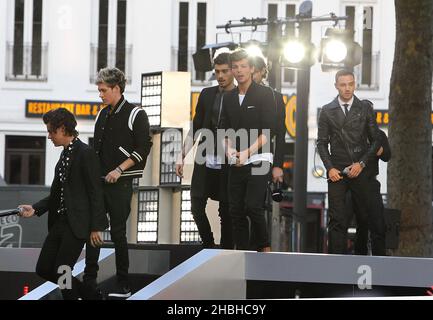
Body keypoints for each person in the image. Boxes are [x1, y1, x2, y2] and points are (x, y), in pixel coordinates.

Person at [18, 108, 108, 300]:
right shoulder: (63, 156)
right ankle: (90, 295)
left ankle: (75, 298)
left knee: (62, 270)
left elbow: (96, 193)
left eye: (51, 131)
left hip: (77, 225)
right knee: (43, 268)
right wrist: (34, 209)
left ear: (63, 129)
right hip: (59, 223)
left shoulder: (85, 153)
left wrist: (96, 227)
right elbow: (56, 194)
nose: (49, 136)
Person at [84, 67, 152, 298]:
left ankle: (123, 282)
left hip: (121, 183)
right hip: (99, 182)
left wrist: (119, 169)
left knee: (118, 232)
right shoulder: (101, 114)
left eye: (103, 90)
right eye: (99, 90)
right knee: (93, 230)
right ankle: (89, 281)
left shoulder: (136, 114)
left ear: (116, 88)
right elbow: (96, 150)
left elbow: (144, 148)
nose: (100, 95)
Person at [317, 69, 380, 254]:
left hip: (359, 169)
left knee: (364, 217)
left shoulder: (364, 108)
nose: (347, 88)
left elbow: (376, 140)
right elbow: (321, 143)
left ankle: (360, 257)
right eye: (343, 85)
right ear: (336, 86)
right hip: (337, 170)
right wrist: (329, 168)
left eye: (350, 84)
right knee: (337, 219)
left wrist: (361, 164)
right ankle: (336, 264)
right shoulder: (327, 110)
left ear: (355, 84)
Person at [175, 52, 234, 249]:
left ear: (233, 71)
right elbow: (196, 126)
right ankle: (208, 244)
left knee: (226, 209)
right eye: (217, 71)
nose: (220, 76)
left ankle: (226, 248)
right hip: (205, 155)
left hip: (229, 160)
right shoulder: (207, 94)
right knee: (195, 204)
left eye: (225, 71)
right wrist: (182, 155)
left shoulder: (240, 96)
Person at [220, 49, 276, 252]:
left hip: (259, 156)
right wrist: (229, 151)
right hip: (236, 159)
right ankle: (242, 252)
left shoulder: (265, 94)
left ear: (252, 69)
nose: (239, 70)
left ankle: (264, 246)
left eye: (243, 66)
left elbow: (269, 131)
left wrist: (247, 153)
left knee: (253, 206)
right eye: (235, 67)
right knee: (235, 210)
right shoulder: (228, 98)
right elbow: (223, 130)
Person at [353, 128, 390, 256]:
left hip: (370, 183)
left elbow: (387, 156)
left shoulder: (379, 134)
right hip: (350, 183)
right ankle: (355, 259)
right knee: (358, 224)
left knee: (378, 224)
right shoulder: (349, 130)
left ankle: (379, 262)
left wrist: (377, 149)